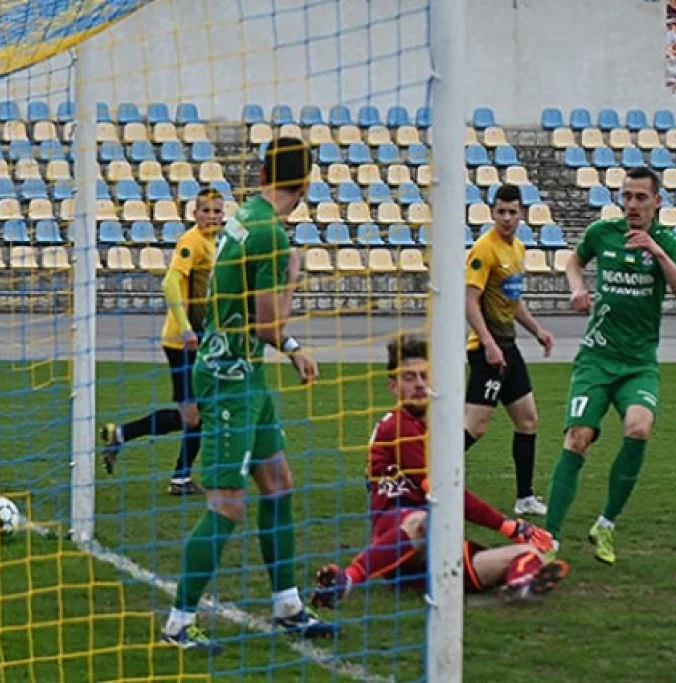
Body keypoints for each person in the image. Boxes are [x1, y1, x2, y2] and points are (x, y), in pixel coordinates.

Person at [160, 137, 336, 652]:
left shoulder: (245, 215)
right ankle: (178, 622)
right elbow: (266, 324)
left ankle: (288, 606)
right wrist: (293, 279)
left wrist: (293, 348)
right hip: (229, 380)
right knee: (228, 503)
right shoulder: (271, 235)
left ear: (262, 174)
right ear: (306, 184)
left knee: (278, 483)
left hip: (246, 373)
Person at [311, 336, 568, 609]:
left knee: (530, 553)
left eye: (424, 376)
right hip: (401, 535)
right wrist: (508, 525)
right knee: (422, 520)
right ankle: (348, 579)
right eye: (409, 377)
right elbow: (444, 491)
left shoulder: (431, 428)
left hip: (433, 547)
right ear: (393, 386)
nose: (419, 384)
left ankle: (520, 585)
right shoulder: (398, 426)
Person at [544, 166, 676, 565]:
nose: (632, 205)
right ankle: (548, 539)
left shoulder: (667, 242)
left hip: (638, 363)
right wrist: (577, 287)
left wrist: (656, 252)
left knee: (639, 427)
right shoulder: (602, 233)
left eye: (641, 197)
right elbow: (573, 262)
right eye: (626, 196)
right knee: (577, 437)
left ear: (657, 202)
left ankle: (605, 525)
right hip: (596, 358)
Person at [100, 189, 225, 495]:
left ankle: (126, 438)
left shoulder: (213, 243)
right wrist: (185, 328)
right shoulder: (192, 241)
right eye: (206, 211)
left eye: (217, 211)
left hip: (199, 339)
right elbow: (170, 282)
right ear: (194, 214)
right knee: (195, 416)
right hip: (181, 342)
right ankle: (177, 476)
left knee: (196, 415)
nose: (211, 216)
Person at [463, 183, 555, 516]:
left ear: (521, 214)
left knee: (528, 420)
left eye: (512, 212)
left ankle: (525, 497)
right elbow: (470, 302)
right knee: (476, 426)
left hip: (508, 347)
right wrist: (488, 344)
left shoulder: (517, 249)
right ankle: (425, 473)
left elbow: (512, 301)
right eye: (500, 212)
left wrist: (537, 330)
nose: (506, 218)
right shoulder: (483, 250)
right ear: (492, 213)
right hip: (486, 350)